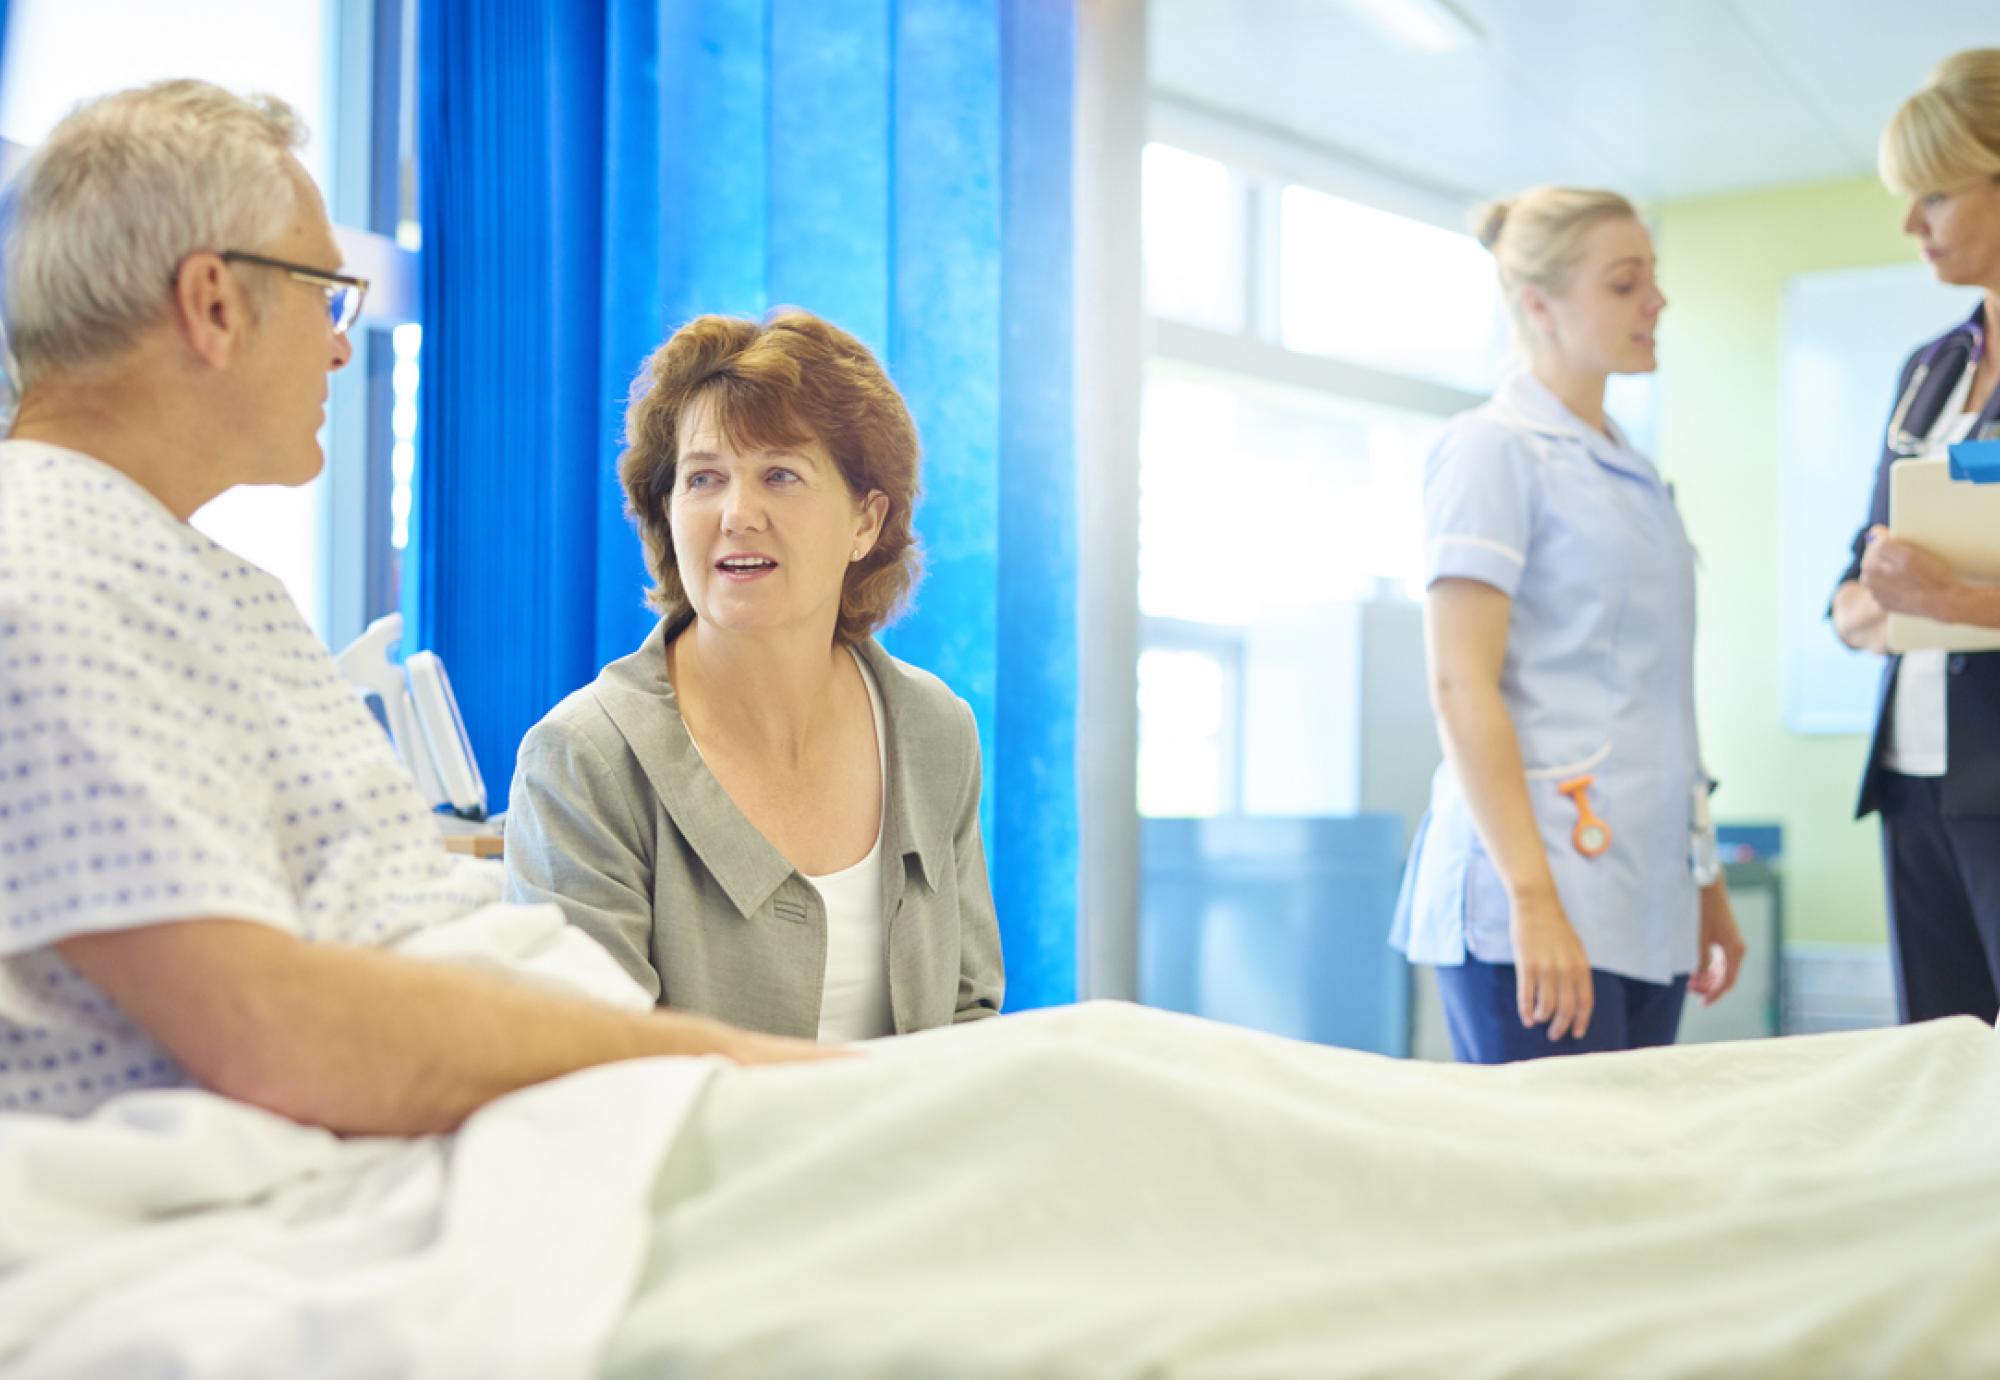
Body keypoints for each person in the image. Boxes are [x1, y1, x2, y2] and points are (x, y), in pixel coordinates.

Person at [0, 79, 836, 1136]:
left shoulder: (203, 583)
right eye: (323, 294)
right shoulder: (46, 579)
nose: (341, 344)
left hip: (541, 1078)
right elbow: (277, 1031)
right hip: (443, 1143)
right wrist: (743, 1069)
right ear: (213, 302)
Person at [503, 311, 1004, 1041]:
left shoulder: (933, 730)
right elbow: (590, 1066)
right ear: (666, 512)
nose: (737, 514)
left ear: (865, 521)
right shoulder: (583, 760)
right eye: (704, 478)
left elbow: (970, 1012)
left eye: (780, 474)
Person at [1391, 186, 1746, 1064]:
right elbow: (1458, 682)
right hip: (1534, 897)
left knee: (1631, 1178)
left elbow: (1658, 702)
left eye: (1653, 279)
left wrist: (1704, 878)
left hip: (1644, 893)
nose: (1655, 302)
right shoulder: (1492, 448)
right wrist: (1533, 899)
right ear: (1537, 305)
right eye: (1625, 284)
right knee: (1550, 1188)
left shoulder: (1629, 468)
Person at [1831, 50, 2000, 1024]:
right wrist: (1893, 604)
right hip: (1912, 784)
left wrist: (1942, 604)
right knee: (1936, 1072)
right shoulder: (1927, 370)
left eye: (1931, 195)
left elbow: (1904, 593)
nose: (1910, 225)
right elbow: (1851, 587)